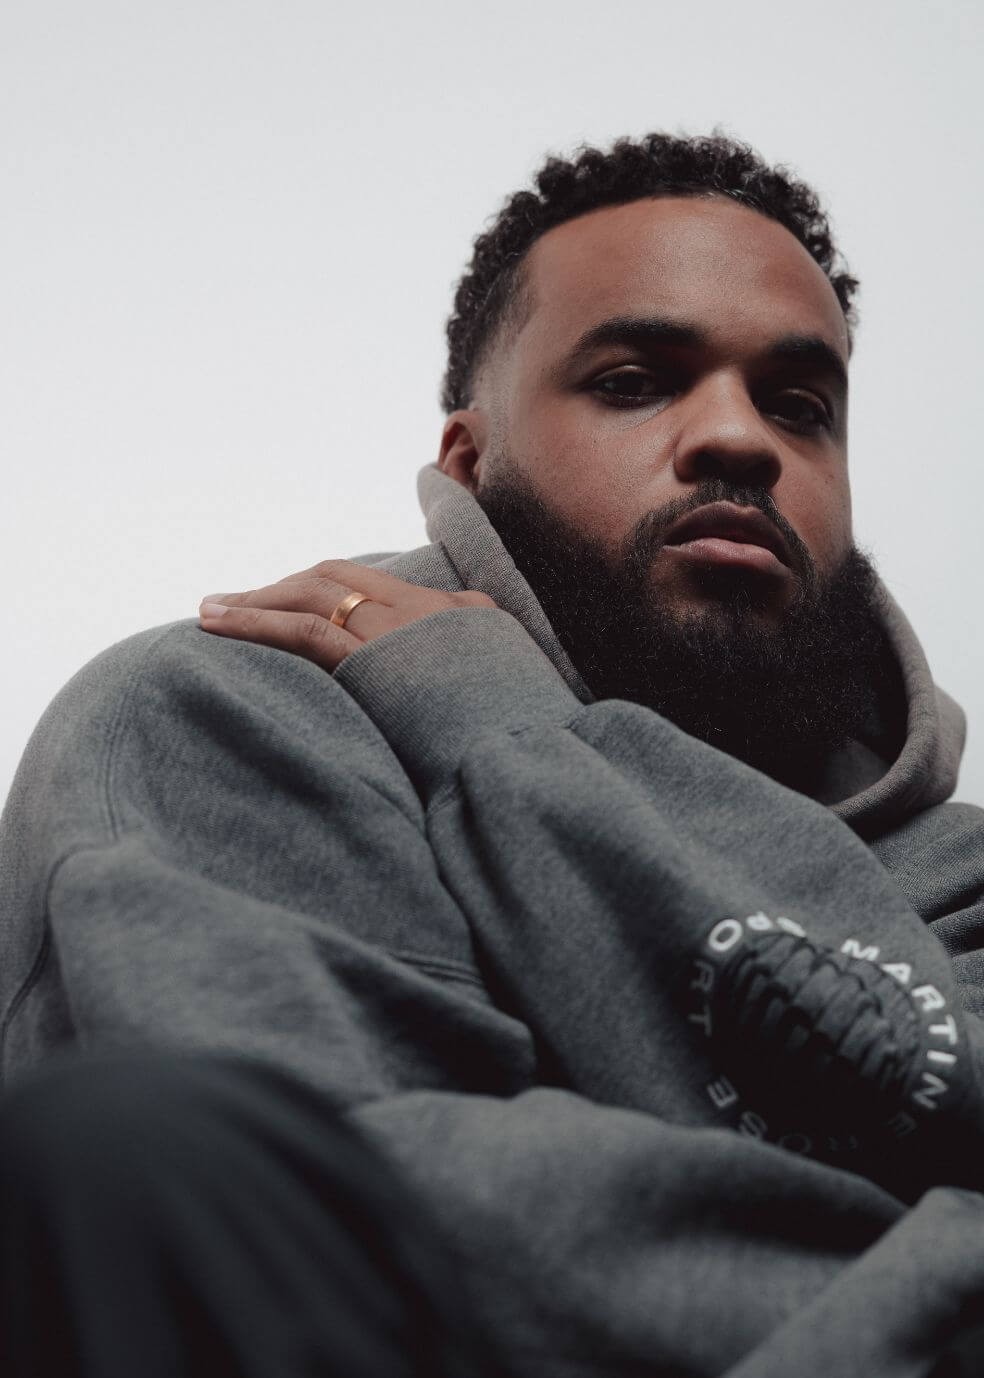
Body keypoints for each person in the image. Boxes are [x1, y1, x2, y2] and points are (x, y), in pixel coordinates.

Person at [2, 131, 983, 1377]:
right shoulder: (235, 712)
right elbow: (312, 1224)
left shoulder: (963, 876)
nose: (741, 438)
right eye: (636, 381)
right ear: (470, 462)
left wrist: (510, 739)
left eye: (800, 406)